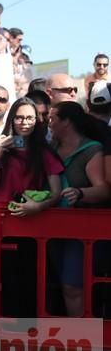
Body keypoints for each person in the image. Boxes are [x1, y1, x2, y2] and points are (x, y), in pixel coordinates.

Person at [0, 97, 62, 351]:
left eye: (29, 118)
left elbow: (55, 192)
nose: (24, 123)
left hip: (34, 228)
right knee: (6, 292)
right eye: (19, 117)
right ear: (11, 119)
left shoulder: (46, 151)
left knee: (31, 291)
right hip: (1, 227)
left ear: (37, 121)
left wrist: (37, 206)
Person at [48, 102, 109, 317]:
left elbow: (103, 190)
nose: (49, 122)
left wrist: (80, 193)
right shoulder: (49, 149)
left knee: (72, 285)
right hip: (49, 229)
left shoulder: (92, 149)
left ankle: (80, 340)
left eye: (53, 117)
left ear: (66, 121)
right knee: (52, 284)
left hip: (80, 231)